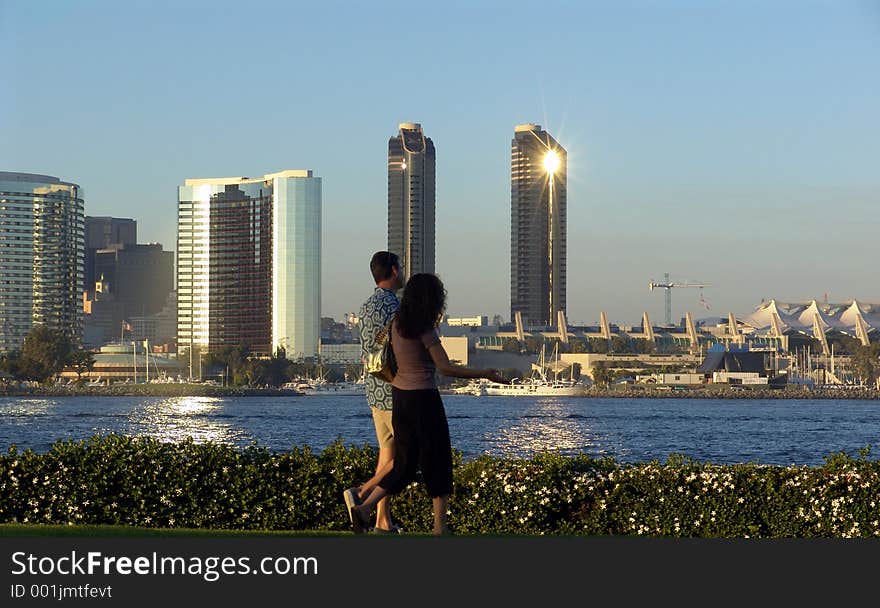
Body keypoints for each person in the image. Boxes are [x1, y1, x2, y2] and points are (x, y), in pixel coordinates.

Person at [349, 273, 505, 535]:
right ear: (432, 298)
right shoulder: (423, 327)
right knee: (438, 460)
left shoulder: (396, 324)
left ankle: (365, 508)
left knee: (404, 464)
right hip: (424, 399)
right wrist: (484, 373)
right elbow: (445, 368)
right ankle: (439, 526)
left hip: (400, 397)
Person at [344, 251, 404, 534]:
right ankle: (361, 495)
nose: (402, 272)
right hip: (394, 387)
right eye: (400, 267)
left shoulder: (366, 306)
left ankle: (383, 521)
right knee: (403, 458)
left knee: (386, 454)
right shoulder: (395, 307)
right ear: (393, 271)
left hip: (374, 391)